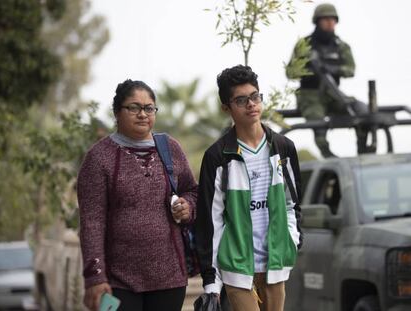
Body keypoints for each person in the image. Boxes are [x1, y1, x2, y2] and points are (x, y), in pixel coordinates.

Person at [77, 79, 198, 311]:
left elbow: (192, 191)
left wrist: (187, 206)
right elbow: (92, 223)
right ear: (116, 112)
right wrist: (95, 278)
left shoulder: (170, 148)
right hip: (116, 281)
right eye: (134, 107)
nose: (143, 114)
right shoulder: (98, 157)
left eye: (149, 108)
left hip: (170, 277)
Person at [195, 65, 303, 311]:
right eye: (241, 100)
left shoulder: (283, 148)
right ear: (227, 108)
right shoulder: (217, 156)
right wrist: (211, 281)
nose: (251, 104)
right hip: (236, 263)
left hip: (276, 260)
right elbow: (210, 220)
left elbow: (293, 203)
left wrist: (292, 240)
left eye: (255, 96)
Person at [286, 3, 367, 157]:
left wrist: (333, 69)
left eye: (333, 20)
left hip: (333, 93)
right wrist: (308, 70)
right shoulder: (304, 45)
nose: (330, 23)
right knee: (318, 123)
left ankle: (363, 150)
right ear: (317, 21)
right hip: (310, 95)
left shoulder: (341, 46)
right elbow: (290, 72)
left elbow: (351, 69)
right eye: (326, 19)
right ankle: (328, 154)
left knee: (360, 110)